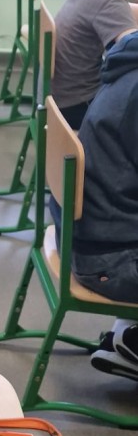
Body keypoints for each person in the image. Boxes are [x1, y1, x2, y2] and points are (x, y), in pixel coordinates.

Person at [58, 29, 138, 381]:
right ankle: (131, 342)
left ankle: (127, 338)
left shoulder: (128, 60)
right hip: (113, 260)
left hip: (93, 238)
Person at [52, 0, 138, 130]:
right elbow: (132, 48)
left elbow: (124, 11)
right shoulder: (110, 3)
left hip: (60, 99)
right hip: (78, 106)